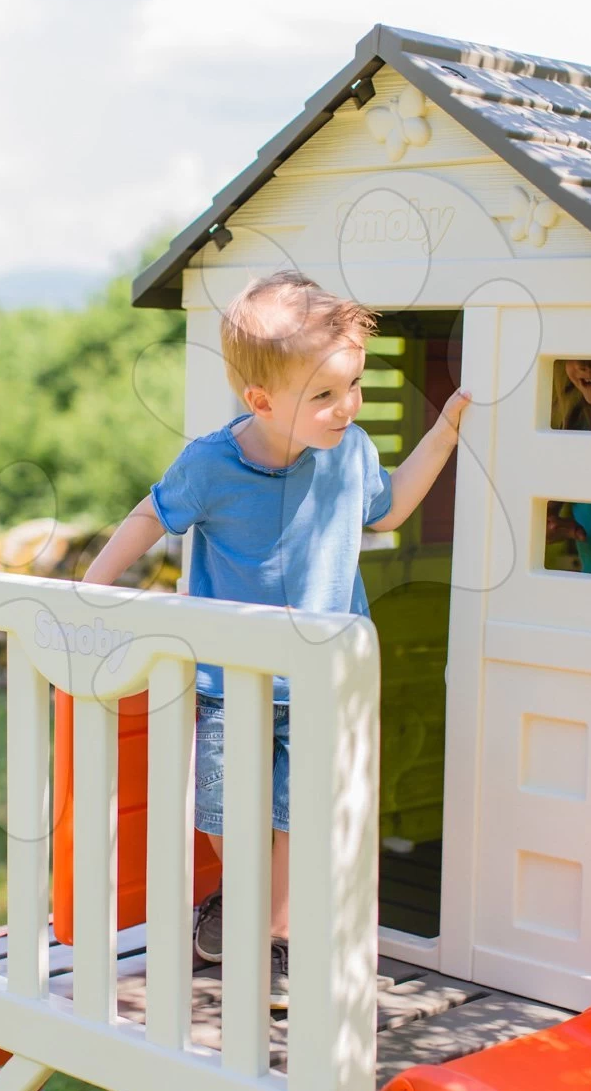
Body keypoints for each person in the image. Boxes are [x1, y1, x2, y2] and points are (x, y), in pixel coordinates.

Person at [82, 270, 471, 1009]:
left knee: (298, 814)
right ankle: (241, 902)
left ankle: (277, 939)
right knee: (228, 812)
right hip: (232, 682)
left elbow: (387, 510)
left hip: (321, 682)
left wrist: (445, 432)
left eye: (353, 385)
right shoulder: (212, 464)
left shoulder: (350, 452)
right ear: (261, 401)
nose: (346, 407)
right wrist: (93, 587)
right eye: (324, 396)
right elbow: (151, 514)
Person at [546, 358, 591, 574]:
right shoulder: (572, 423)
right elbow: (546, 511)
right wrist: (547, 526)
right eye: (575, 352)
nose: (583, 365)